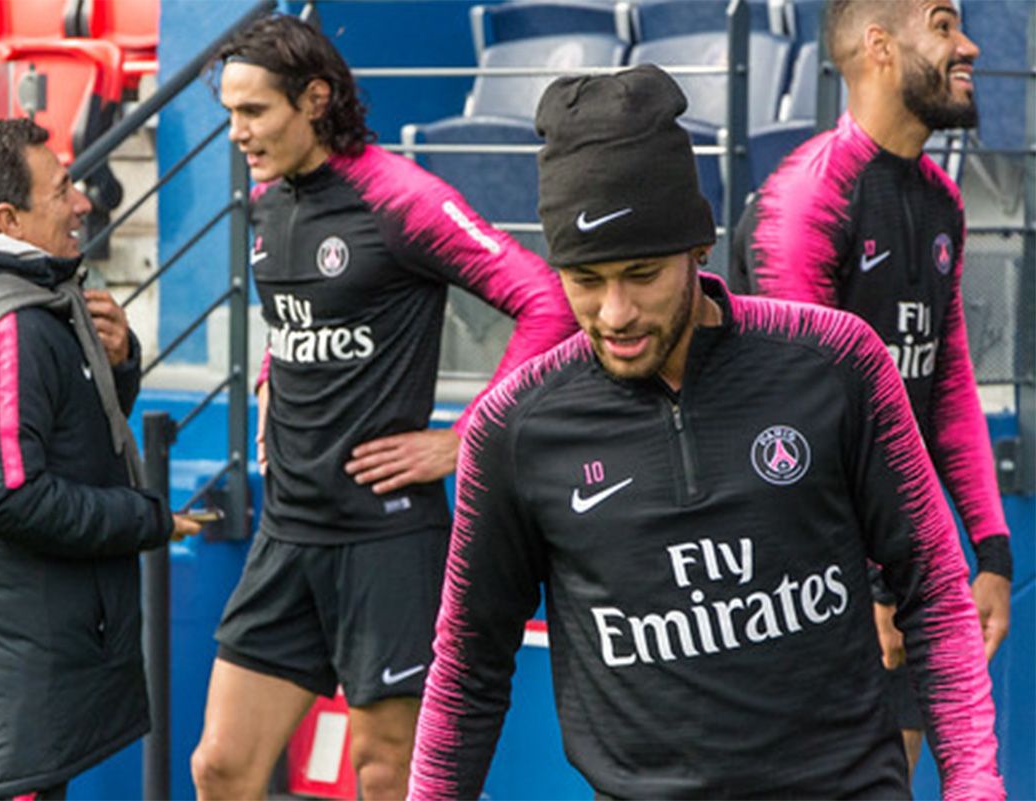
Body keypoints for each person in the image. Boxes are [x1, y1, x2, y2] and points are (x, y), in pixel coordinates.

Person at [407, 65, 1003, 800]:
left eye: (642, 272)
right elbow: (468, 666)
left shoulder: (839, 361)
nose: (616, 311)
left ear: (699, 246)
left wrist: (975, 782)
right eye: (585, 279)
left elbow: (935, 592)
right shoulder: (514, 427)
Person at [189, 14, 578, 801]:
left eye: (254, 111)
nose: (237, 132)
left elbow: (545, 299)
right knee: (222, 766)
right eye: (230, 114)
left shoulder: (401, 197)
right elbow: (305, 316)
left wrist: (466, 437)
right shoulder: (268, 202)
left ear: (316, 99)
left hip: (387, 536)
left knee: (386, 770)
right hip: (288, 528)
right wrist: (273, 370)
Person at [0, 118, 200, 799]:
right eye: (61, 189)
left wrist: (118, 366)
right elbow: (8, 493)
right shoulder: (7, 323)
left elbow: (55, 432)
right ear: (9, 217)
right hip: (21, 667)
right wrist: (145, 517)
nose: (83, 201)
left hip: (33, 657)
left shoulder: (27, 301)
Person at [731, 0, 1012, 772]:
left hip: (898, 567)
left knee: (891, 782)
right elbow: (794, 414)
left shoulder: (940, 200)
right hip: (800, 580)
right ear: (881, 47)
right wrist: (863, 579)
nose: (970, 46)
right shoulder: (805, 200)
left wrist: (990, 552)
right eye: (945, 25)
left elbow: (946, 382)